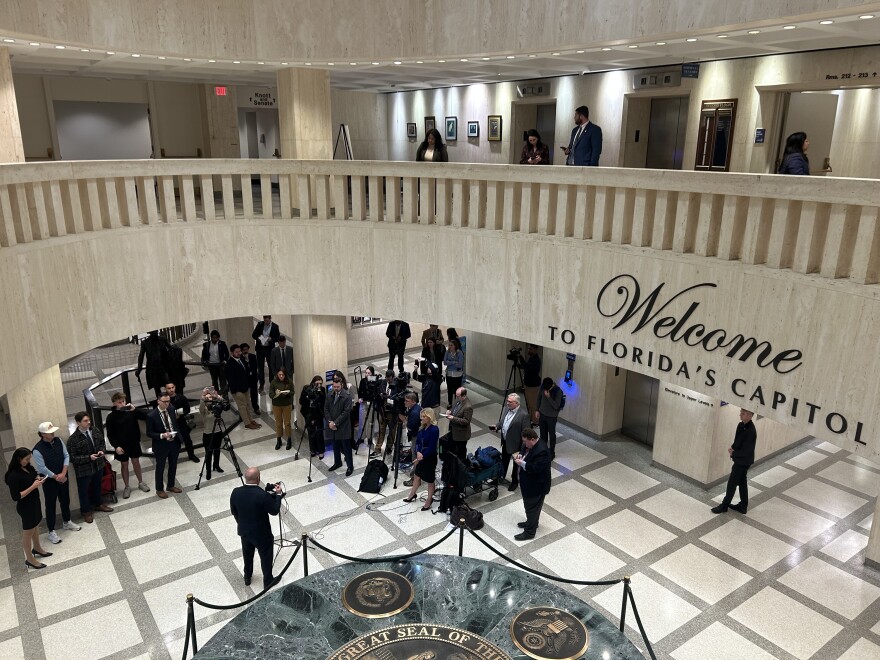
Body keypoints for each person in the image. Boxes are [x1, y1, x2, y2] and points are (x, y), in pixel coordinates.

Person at [230, 467, 283, 590]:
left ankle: (247, 576)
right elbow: (274, 511)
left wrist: (241, 523)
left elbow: (234, 511)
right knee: (266, 556)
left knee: (247, 554)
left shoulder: (235, 492)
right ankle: (268, 580)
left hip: (244, 531)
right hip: (262, 533)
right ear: (258, 478)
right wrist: (279, 495)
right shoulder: (262, 495)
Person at [32, 422, 81, 543]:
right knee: (51, 505)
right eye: (49, 432)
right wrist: (56, 477)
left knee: (65, 499)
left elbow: (66, 455)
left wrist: (63, 472)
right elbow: (42, 468)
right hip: (50, 481)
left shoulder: (58, 441)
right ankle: (51, 531)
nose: (53, 433)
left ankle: (67, 521)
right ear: (43, 434)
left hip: (63, 476)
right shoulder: (37, 450)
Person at [5, 448, 52, 570]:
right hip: (25, 506)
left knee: (35, 525)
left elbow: (33, 473)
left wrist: (37, 478)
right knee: (28, 531)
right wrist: (33, 486)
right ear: (19, 459)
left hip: (34, 502)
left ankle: (37, 547)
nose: (28, 461)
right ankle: (29, 558)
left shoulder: (27, 467)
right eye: (26, 459)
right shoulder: (13, 476)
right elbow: (16, 496)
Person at [67, 411, 113, 524]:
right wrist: (88, 457)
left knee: (97, 485)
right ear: (78, 423)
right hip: (84, 470)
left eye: (89, 420)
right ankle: (86, 511)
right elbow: (73, 458)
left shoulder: (95, 430)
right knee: (83, 491)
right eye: (85, 421)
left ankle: (98, 504)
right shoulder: (73, 439)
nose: (88, 422)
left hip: (98, 465)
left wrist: (102, 450)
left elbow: (102, 442)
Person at [105, 392, 151, 498]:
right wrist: (116, 446)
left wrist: (135, 410)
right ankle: (127, 486)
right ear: (114, 403)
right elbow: (110, 434)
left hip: (133, 442)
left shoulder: (131, 411)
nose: (122, 404)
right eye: (119, 402)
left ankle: (141, 482)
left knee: (136, 462)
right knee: (124, 464)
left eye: (123, 401)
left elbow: (145, 416)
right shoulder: (111, 417)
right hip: (121, 445)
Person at [712, 409, 757, 515]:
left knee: (732, 483)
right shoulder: (741, 425)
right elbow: (737, 441)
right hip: (741, 459)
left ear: (750, 416)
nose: (740, 414)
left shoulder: (751, 431)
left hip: (743, 461)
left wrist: (733, 453)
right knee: (742, 482)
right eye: (741, 412)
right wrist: (732, 448)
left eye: (743, 413)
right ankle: (743, 506)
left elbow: (747, 450)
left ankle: (724, 506)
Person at [513, 428, 552, 540]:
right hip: (529, 484)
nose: (524, 444)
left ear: (533, 439)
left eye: (526, 442)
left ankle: (530, 532)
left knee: (532, 508)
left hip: (536, 486)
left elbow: (536, 468)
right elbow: (523, 449)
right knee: (531, 508)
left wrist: (522, 463)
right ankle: (532, 523)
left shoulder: (542, 451)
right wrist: (521, 455)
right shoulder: (530, 445)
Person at [490, 394, 530, 492]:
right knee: (504, 461)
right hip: (505, 442)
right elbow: (503, 421)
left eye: (510, 402)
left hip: (516, 445)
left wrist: (522, 450)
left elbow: (526, 434)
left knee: (516, 465)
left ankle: (515, 482)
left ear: (516, 403)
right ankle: (501, 477)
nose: (507, 403)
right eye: (507, 401)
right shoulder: (506, 409)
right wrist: (496, 426)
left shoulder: (523, 415)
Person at [146, 393, 182, 498]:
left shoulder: (171, 409)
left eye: (168, 401)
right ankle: (159, 489)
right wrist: (162, 435)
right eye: (165, 402)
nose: (167, 404)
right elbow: (149, 433)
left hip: (174, 442)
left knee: (173, 465)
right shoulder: (151, 415)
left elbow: (174, 424)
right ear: (158, 401)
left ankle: (171, 485)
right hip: (161, 445)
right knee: (160, 467)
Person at [402, 408, 439, 510]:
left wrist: (421, 456)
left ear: (429, 417)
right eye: (421, 416)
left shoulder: (434, 429)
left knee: (430, 480)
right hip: (421, 455)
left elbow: (432, 447)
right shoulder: (422, 428)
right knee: (417, 476)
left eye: (424, 417)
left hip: (429, 458)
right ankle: (412, 494)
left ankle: (429, 499)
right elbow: (418, 442)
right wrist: (418, 452)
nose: (421, 419)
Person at [324, 370, 354, 475]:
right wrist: (330, 422)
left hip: (343, 427)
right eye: (334, 387)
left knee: (346, 448)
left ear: (341, 385)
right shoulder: (329, 394)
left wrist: (335, 423)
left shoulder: (347, 396)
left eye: (337, 387)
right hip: (332, 426)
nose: (335, 389)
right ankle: (337, 462)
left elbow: (346, 413)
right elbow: (326, 409)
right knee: (335, 446)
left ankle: (350, 466)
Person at [226, 344, 262, 430]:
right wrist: (236, 391)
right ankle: (247, 423)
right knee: (242, 406)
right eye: (236, 352)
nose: (239, 353)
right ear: (232, 353)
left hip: (245, 387)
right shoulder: (230, 364)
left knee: (248, 404)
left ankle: (251, 420)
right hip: (238, 390)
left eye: (239, 351)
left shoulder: (241, 359)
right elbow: (230, 379)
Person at [166, 381, 199, 463]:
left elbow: (187, 409)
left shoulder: (181, 398)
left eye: (172, 387)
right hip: (169, 423)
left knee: (187, 439)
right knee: (171, 441)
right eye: (169, 388)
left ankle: (191, 455)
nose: (171, 390)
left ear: (175, 387)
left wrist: (180, 414)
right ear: (166, 389)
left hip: (181, 421)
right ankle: (172, 458)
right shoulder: (165, 399)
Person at [370, 369, 398, 458]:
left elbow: (398, 397)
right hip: (382, 410)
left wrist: (390, 397)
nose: (388, 380)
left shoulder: (397, 385)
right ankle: (377, 449)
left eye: (390, 379)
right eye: (387, 378)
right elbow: (378, 392)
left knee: (392, 430)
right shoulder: (383, 383)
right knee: (381, 430)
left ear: (393, 377)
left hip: (392, 412)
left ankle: (389, 447)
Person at [199, 387, 226, 479]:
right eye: (207, 397)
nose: (209, 399)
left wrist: (217, 396)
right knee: (208, 453)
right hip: (208, 433)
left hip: (217, 431)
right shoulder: (203, 410)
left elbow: (225, 403)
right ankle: (208, 470)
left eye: (210, 397)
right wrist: (203, 396)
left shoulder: (216, 407)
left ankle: (216, 465)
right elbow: (201, 405)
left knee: (217, 450)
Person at [136, 330, 172, 398]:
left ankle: (170, 401)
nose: (154, 333)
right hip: (153, 369)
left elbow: (172, 350)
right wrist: (139, 369)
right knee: (157, 388)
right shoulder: (145, 343)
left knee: (168, 385)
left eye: (155, 331)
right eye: (152, 332)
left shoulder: (162, 339)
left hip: (163, 367)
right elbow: (141, 356)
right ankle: (160, 401)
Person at [251, 315, 280, 394]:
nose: (266, 322)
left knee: (271, 367)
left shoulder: (275, 326)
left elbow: (278, 338)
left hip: (269, 349)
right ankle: (261, 384)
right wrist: (259, 338)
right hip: (260, 349)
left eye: (267, 321)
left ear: (270, 319)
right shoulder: (260, 324)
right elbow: (253, 335)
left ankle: (271, 383)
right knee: (260, 367)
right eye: (265, 321)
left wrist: (271, 339)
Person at [300, 375, 327, 459]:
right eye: (317, 383)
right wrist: (308, 397)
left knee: (319, 432)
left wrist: (320, 395)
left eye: (320, 383)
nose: (319, 385)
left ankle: (321, 450)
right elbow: (301, 401)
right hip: (308, 413)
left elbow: (324, 401)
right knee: (311, 432)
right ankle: (313, 450)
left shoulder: (322, 390)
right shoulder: (306, 388)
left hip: (318, 413)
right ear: (313, 382)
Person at [536, 377, 564, 459]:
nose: (544, 389)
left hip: (552, 417)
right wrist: (537, 410)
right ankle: (543, 450)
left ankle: (552, 452)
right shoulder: (543, 387)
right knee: (542, 434)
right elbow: (539, 398)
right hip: (542, 414)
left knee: (552, 434)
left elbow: (556, 406)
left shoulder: (558, 391)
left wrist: (549, 397)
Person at [443, 387, 473, 461]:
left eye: (458, 396)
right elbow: (454, 408)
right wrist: (449, 411)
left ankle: (460, 467)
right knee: (450, 448)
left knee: (461, 453)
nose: (456, 397)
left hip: (461, 434)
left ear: (464, 396)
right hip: (453, 430)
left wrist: (453, 418)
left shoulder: (468, 407)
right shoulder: (458, 399)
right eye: (456, 395)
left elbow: (466, 421)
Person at [269, 369, 294, 451]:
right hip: (277, 405)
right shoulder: (273, 382)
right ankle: (278, 440)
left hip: (287, 404)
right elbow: (270, 394)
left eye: (283, 375)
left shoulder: (289, 381)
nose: (281, 376)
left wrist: (288, 393)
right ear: (277, 375)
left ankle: (289, 439)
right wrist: (276, 394)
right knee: (278, 423)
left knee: (287, 423)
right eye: (279, 375)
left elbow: (293, 392)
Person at [201, 330, 229, 394]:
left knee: (223, 381)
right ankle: (216, 395)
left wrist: (225, 361)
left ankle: (225, 396)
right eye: (213, 338)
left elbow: (227, 354)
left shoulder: (222, 344)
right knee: (214, 381)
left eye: (216, 338)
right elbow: (203, 355)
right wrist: (205, 361)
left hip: (220, 365)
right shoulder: (207, 345)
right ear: (211, 338)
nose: (215, 339)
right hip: (212, 365)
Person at [520, 344, 542, 423]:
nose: (529, 350)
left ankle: (536, 421)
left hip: (533, 386)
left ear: (536, 350)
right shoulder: (531, 358)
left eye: (531, 349)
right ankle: (531, 418)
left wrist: (521, 360)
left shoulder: (536, 360)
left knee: (533, 405)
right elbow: (527, 367)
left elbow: (529, 369)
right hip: (528, 384)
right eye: (528, 349)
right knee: (529, 403)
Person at [240, 343, 262, 415]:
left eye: (247, 349)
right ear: (241, 350)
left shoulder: (253, 356)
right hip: (245, 379)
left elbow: (255, 367)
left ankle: (256, 408)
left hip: (253, 378)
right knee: (245, 395)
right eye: (244, 350)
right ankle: (245, 410)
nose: (245, 351)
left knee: (254, 394)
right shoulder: (240, 358)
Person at [443, 338, 464, 408]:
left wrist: (450, 362)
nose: (450, 347)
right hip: (449, 374)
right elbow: (445, 362)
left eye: (451, 345)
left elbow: (460, 364)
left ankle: (457, 403)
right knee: (449, 389)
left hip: (457, 375)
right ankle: (450, 403)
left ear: (455, 346)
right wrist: (454, 362)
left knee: (457, 390)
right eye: (449, 345)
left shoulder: (459, 353)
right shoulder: (447, 352)